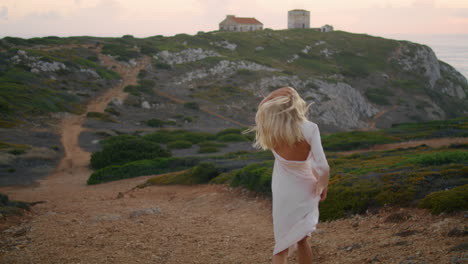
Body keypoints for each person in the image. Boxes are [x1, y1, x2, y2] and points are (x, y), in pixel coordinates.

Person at [246, 87, 330, 264]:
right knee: (302, 238)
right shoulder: (310, 128)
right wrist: (323, 185)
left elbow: (261, 108)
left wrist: (271, 95)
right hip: (306, 188)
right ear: (297, 106)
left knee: (282, 243)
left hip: (283, 189)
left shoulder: (270, 128)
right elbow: (322, 166)